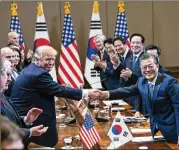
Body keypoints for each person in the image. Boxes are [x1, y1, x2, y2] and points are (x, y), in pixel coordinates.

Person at [11, 45, 98, 147]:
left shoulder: (32, 69)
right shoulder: (38, 74)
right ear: (37, 59)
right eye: (48, 59)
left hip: (28, 117)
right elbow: (60, 90)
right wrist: (87, 93)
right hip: (33, 121)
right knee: (50, 144)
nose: (51, 62)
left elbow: (53, 89)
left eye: (53, 59)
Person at [98, 53, 179, 145]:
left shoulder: (169, 82)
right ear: (140, 68)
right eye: (144, 67)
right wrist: (106, 93)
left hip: (174, 131)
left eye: (150, 66)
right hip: (158, 130)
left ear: (157, 65)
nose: (147, 70)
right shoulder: (142, 81)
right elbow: (126, 91)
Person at [0, 59, 48, 147]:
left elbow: (10, 120)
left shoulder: (2, 95)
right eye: (7, 74)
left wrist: (26, 119)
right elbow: (2, 132)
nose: (9, 79)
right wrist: (30, 132)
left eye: (10, 75)